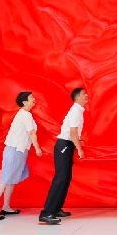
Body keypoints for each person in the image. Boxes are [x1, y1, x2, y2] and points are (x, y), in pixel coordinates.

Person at [0, 91, 43, 221]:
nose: (34, 99)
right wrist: (37, 148)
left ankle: (6, 207)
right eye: (31, 98)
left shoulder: (24, 114)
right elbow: (31, 133)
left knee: (11, 180)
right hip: (15, 150)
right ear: (24, 102)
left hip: (19, 151)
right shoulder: (25, 115)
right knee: (4, 181)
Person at [38, 87, 88, 225]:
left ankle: (56, 209)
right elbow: (73, 132)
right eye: (84, 94)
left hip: (67, 145)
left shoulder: (78, 111)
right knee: (60, 178)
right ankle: (47, 213)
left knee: (66, 178)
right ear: (77, 97)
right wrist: (79, 149)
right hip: (64, 145)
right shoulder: (75, 111)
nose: (86, 96)